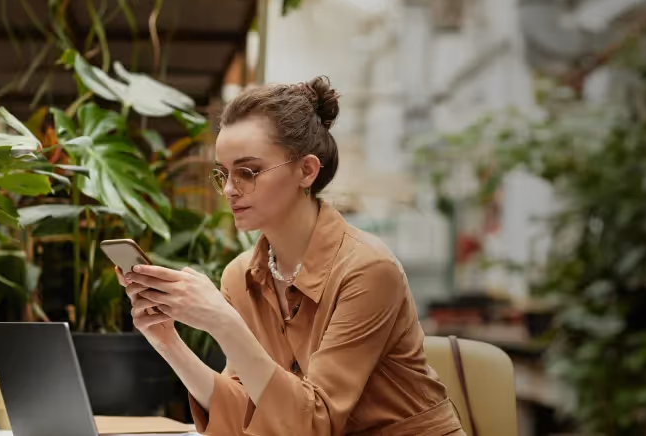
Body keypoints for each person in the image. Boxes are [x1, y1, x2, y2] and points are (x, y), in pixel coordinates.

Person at [116, 76, 465, 436]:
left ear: (307, 170)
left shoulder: (368, 271)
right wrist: (168, 342)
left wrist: (223, 323)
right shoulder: (242, 276)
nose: (231, 190)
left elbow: (314, 424)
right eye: (223, 174)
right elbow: (250, 413)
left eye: (248, 172)